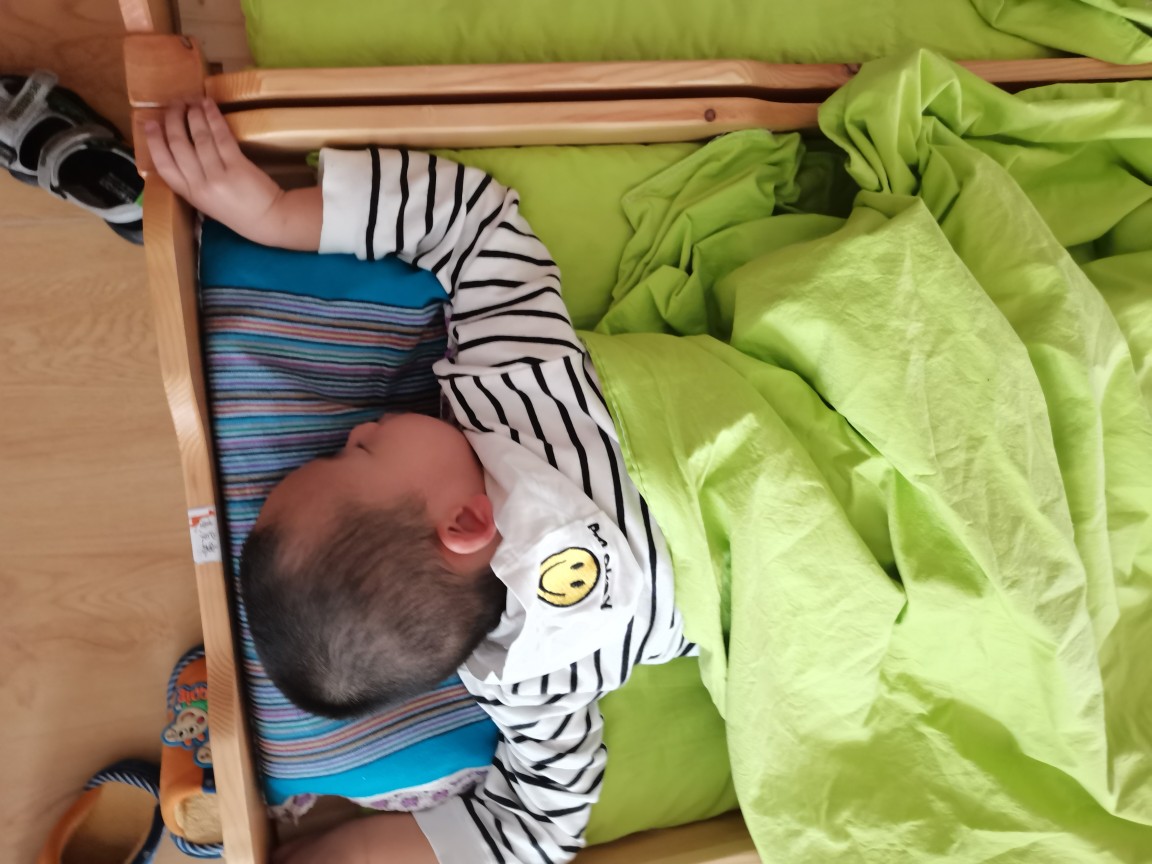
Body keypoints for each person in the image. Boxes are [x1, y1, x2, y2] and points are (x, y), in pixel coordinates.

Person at [146, 99, 694, 864]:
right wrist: (273, 214)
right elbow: (475, 223)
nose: (354, 429)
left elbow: (538, 831)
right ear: (463, 524)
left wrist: (340, 854)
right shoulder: (517, 394)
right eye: (354, 456)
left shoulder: (534, 683)